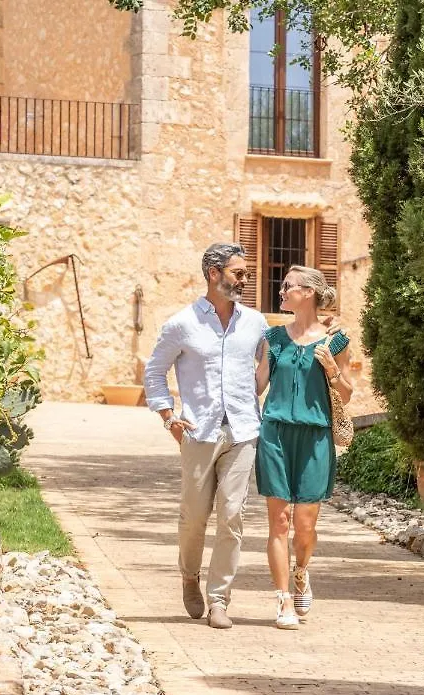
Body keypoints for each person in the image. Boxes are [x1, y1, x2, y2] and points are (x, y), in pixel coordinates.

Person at [143, 242, 269, 629]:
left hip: (243, 430)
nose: (245, 279)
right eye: (238, 273)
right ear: (214, 274)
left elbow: (266, 369)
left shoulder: (256, 323)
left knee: (232, 516)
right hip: (199, 432)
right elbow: (154, 371)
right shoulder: (182, 323)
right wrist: (168, 416)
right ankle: (189, 575)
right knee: (194, 517)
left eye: (245, 273)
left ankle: (219, 600)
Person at [255, 265, 353, 630]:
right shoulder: (273, 338)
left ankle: (301, 571)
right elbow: (257, 384)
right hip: (275, 434)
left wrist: (332, 371)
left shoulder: (336, 341)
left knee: (305, 526)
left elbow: (347, 394)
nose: (281, 291)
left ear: (308, 292)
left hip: (315, 438)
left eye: (288, 286)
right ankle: (283, 600)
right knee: (279, 522)